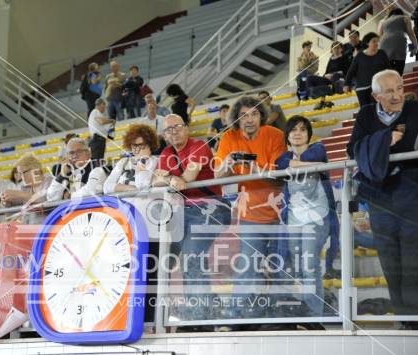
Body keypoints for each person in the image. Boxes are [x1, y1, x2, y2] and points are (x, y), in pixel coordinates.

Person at [346, 70, 418, 325]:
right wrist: (386, 139)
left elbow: (415, 143)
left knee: (413, 253)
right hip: (379, 194)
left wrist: (380, 144)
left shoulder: (415, 108)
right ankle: (404, 314)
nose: (397, 95)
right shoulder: (366, 114)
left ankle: (417, 315)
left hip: (412, 188)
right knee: (389, 256)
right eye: (390, 91)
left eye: (400, 88)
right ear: (375, 95)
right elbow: (352, 148)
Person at [153, 114, 228, 331]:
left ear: (187, 128)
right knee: (161, 260)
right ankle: (163, 318)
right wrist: (169, 179)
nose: (173, 132)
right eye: (168, 130)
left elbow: (187, 179)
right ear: (164, 135)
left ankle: (201, 319)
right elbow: (156, 180)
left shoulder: (199, 145)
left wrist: (169, 178)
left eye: (177, 127)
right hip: (181, 213)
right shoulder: (167, 152)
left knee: (191, 258)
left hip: (210, 209)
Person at [214, 95, 286, 320]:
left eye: (254, 113)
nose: (249, 119)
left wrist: (252, 167)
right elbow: (218, 175)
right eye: (244, 115)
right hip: (250, 215)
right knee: (247, 269)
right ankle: (237, 316)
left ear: (261, 116)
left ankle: (278, 316)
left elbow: (278, 177)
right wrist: (229, 163)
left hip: (280, 213)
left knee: (279, 269)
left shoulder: (275, 135)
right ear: (236, 117)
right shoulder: (229, 137)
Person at [275, 115, 339, 317]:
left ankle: (314, 314)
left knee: (310, 265)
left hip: (317, 218)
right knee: (298, 266)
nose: (298, 133)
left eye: (302, 129)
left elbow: (313, 157)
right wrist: (301, 165)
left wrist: (294, 165)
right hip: (294, 220)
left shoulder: (318, 148)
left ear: (309, 134)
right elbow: (280, 165)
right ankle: (306, 309)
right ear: (287, 135)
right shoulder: (283, 157)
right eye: (293, 130)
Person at [104, 124, 158, 194]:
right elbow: (106, 187)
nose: (137, 149)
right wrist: (131, 189)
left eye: (141, 145)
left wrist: (142, 160)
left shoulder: (155, 161)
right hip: (121, 202)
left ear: (149, 145)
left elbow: (142, 186)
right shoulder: (123, 162)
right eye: (134, 145)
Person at [1, 154, 52, 224]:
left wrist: (19, 194)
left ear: (35, 169)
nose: (22, 177)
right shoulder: (25, 188)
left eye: (24, 172)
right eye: (20, 174)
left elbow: (46, 200)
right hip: (28, 229)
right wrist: (7, 202)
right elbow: (11, 211)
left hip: (47, 229)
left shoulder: (50, 181)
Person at [344, 32, 390, 108]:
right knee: (366, 111)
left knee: (379, 108)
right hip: (362, 88)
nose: (376, 43)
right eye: (374, 41)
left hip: (378, 87)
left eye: (377, 41)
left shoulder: (382, 53)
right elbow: (351, 71)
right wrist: (346, 84)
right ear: (367, 43)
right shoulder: (359, 55)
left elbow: (388, 69)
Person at [379, 7, 418, 75]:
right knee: (399, 66)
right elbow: (410, 33)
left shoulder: (383, 21)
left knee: (388, 68)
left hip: (384, 44)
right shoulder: (405, 17)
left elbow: (379, 35)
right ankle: (398, 79)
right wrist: (415, 45)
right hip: (399, 41)